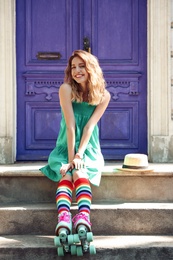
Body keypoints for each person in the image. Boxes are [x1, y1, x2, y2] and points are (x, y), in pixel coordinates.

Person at [40, 50, 110, 239]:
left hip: (89, 148)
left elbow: (89, 126)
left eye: (81, 66)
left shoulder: (104, 96)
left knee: (79, 172)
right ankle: (63, 217)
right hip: (66, 146)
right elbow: (71, 126)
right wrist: (71, 159)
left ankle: (83, 217)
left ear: (91, 69)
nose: (77, 71)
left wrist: (79, 155)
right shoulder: (66, 89)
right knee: (68, 172)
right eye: (73, 67)